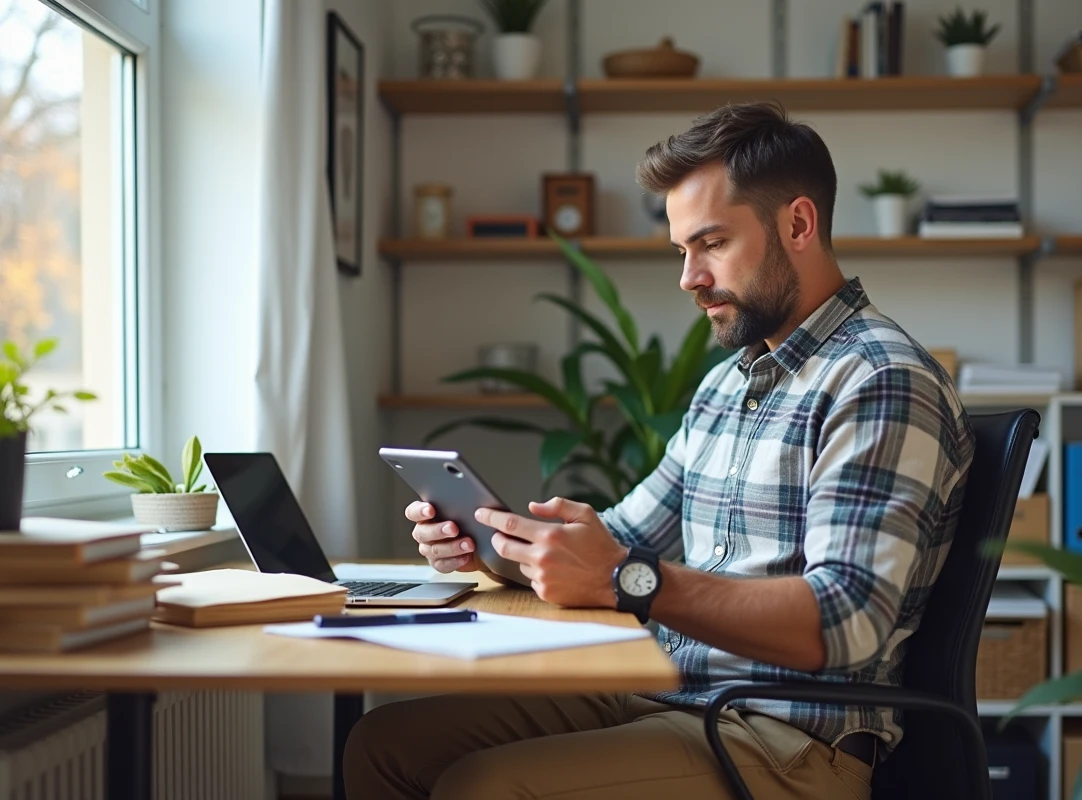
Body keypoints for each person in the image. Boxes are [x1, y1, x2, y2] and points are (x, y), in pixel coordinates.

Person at [345, 100, 975, 800]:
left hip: (788, 742)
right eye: (682, 250)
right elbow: (618, 540)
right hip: (670, 697)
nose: (689, 278)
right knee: (384, 746)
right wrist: (496, 542)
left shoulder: (879, 380)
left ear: (799, 223)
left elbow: (845, 619)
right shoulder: (725, 389)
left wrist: (626, 579)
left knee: (486, 787)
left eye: (711, 244)